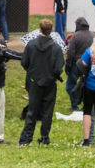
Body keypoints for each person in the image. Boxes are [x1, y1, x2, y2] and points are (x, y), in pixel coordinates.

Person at [18, 19, 64, 147]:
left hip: (34, 82)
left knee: (32, 110)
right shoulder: (56, 48)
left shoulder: (31, 45)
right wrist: (52, 76)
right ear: (51, 30)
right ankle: (44, 137)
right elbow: (58, 67)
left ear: (40, 29)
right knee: (47, 111)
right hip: (49, 83)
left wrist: (32, 72)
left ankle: (25, 139)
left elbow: (24, 62)